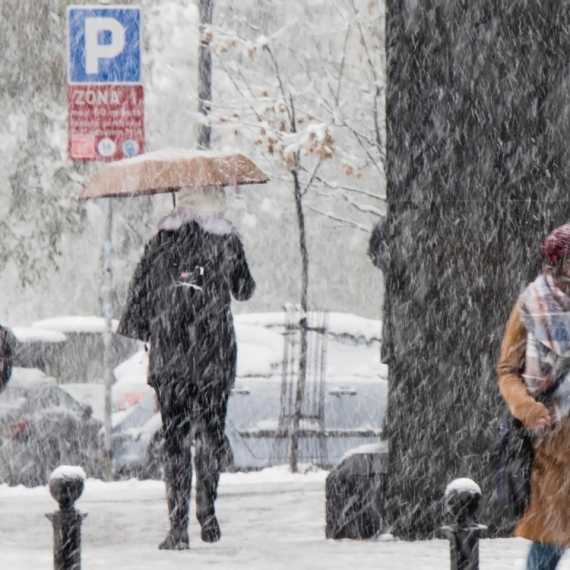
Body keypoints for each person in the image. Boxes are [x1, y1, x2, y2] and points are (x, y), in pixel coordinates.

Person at [117, 185, 256, 550]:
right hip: (214, 358)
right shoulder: (225, 240)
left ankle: (177, 526)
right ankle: (207, 509)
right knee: (211, 435)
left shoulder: (159, 244)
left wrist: (155, 327)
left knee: (175, 443)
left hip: (172, 361)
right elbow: (244, 290)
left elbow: (137, 301)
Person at [497, 223, 570, 570]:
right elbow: (507, 371)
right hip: (551, 449)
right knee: (545, 552)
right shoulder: (532, 304)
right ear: (558, 262)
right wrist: (527, 408)